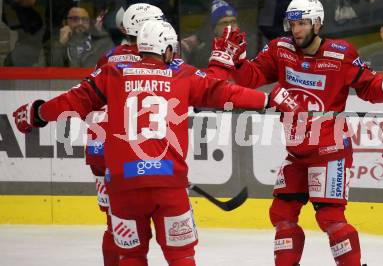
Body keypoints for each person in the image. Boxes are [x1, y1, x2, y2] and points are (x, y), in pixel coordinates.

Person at [12, 19, 297, 266]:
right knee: (181, 256)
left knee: (132, 256)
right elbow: (222, 92)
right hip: (168, 187)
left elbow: (73, 101)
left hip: (124, 188)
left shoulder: (113, 72)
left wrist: (38, 113)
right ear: (168, 49)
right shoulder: (182, 74)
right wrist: (269, 99)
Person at [208, 0, 383, 266]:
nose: (296, 30)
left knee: (330, 218)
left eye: (303, 23)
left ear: (318, 24)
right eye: (292, 24)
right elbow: (252, 77)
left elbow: (368, 85)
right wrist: (237, 62)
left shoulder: (340, 55)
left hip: (330, 152)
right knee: (281, 213)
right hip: (296, 152)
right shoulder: (280, 49)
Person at [84, 3, 166, 266]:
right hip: (126, 153)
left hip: (98, 147)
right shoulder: (155, 59)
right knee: (140, 222)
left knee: (115, 224)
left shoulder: (108, 56)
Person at [181, 0, 239, 68]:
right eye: (224, 23)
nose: (230, 26)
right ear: (214, 29)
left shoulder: (248, 47)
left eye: (233, 22)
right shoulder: (204, 55)